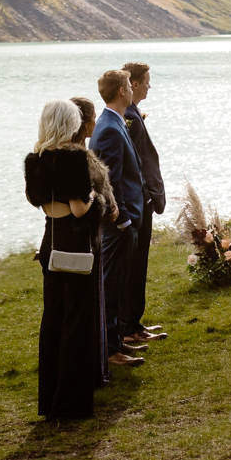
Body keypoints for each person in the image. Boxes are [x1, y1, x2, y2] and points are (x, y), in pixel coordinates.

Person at [23, 99, 118, 420]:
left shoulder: (35, 160)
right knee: (78, 322)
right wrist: (98, 198)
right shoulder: (74, 159)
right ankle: (72, 403)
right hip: (76, 244)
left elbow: (39, 202)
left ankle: (49, 400)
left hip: (50, 241)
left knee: (53, 321)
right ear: (69, 124)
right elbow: (80, 208)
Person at [92, 69, 149, 366]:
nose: (132, 89)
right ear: (121, 91)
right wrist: (123, 219)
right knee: (112, 285)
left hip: (128, 218)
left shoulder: (114, 122)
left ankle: (116, 343)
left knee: (118, 282)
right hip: (119, 223)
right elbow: (109, 180)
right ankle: (111, 348)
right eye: (128, 85)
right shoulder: (111, 127)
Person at [120, 61, 168, 347]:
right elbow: (133, 162)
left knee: (140, 264)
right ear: (134, 84)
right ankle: (127, 327)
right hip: (138, 200)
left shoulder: (133, 113)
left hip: (142, 199)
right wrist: (146, 194)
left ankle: (135, 323)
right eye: (147, 81)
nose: (150, 86)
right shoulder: (128, 117)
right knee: (133, 265)